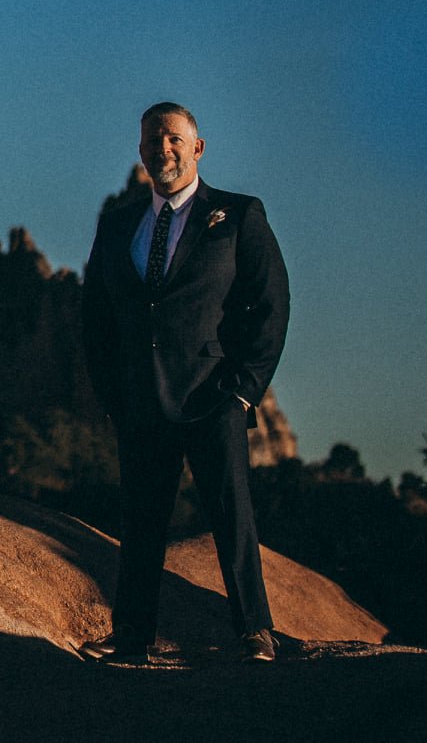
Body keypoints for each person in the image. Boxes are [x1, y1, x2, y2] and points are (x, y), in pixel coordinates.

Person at [78, 102, 288, 664]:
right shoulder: (119, 224)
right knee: (141, 522)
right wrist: (112, 395)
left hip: (212, 394)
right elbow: (94, 315)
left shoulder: (239, 215)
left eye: (172, 139)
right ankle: (132, 637)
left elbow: (271, 307)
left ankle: (254, 632)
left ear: (197, 148)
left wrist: (244, 389)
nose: (160, 149)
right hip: (142, 399)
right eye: (150, 141)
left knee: (231, 514)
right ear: (141, 151)